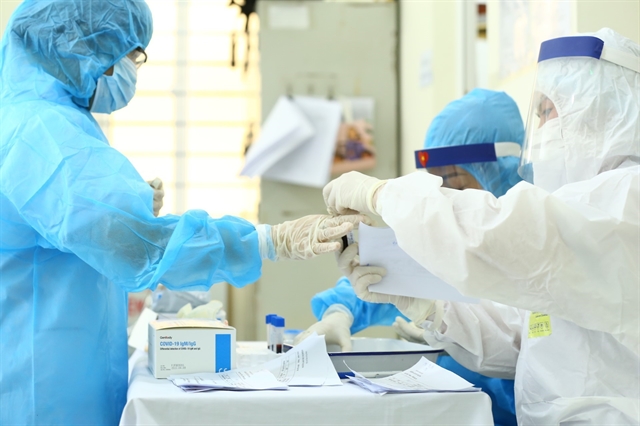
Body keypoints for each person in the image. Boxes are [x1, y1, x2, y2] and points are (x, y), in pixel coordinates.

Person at [0, 1, 367, 424]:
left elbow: (82, 227)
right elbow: (140, 246)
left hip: (49, 364)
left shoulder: (36, 118)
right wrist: (271, 240)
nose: (131, 69)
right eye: (131, 55)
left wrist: (126, 206)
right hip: (43, 389)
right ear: (85, 48)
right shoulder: (44, 131)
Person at [322, 27, 640, 424]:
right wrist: (428, 307)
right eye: (538, 115)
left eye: (549, 112)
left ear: (605, 108)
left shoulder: (626, 200)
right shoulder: (574, 208)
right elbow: (517, 337)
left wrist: (382, 194)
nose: (542, 129)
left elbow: (496, 236)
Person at [298, 88, 523, 426]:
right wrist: (339, 312)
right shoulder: (446, 237)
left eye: (458, 185)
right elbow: (390, 274)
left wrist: (451, 326)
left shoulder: (532, 249)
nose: (448, 200)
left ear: (501, 173)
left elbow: (527, 354)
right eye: (439, 187)